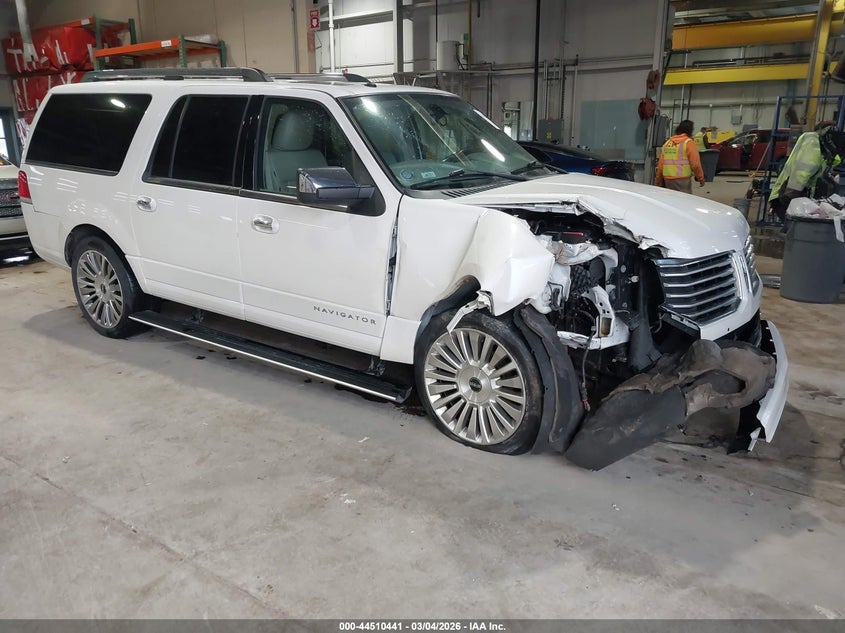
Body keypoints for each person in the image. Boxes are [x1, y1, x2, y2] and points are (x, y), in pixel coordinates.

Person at [768, 126, 845, 222]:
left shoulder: (822, 151)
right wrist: (790, 201)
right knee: (796, 230)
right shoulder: (813, 150)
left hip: (797, 197)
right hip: (784, 196)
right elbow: (798, 178)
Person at [654, 120, 706, 193]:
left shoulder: (668, 143)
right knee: (684, 202)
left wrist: (658, 180)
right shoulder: (688, 143)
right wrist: (701, 178)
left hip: (667, 180)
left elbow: (660, 164)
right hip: (682, 180)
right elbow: (695, 164)